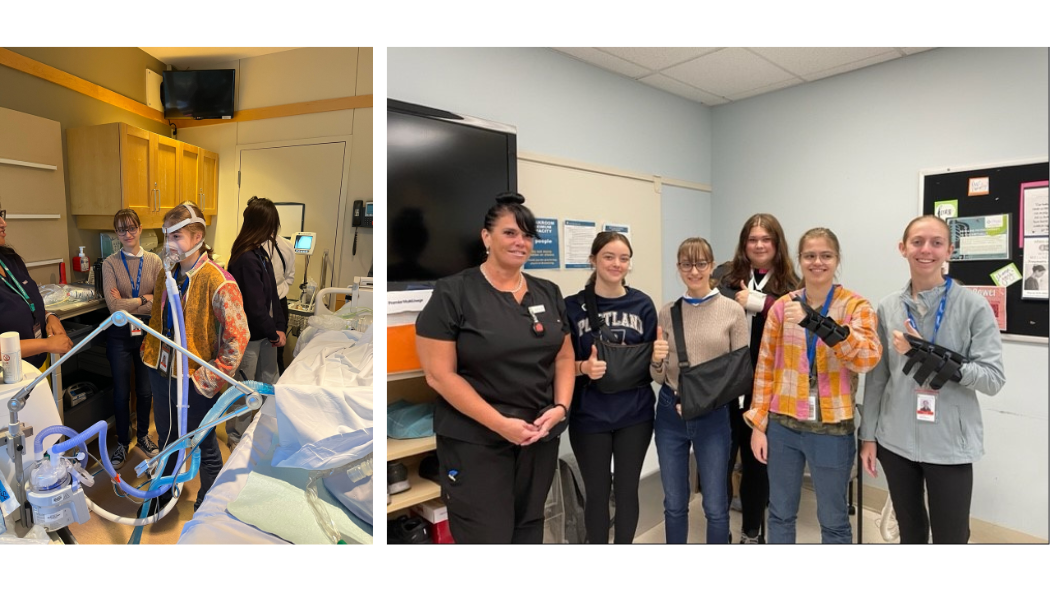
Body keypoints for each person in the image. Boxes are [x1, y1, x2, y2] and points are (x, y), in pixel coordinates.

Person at [415, 193, 575, 544]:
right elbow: (439, 375)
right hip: (478, 441)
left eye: (528, 235)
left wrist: (560, 408)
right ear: (486, 237)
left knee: (529, 526)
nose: (521, 242)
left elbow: (563, 357)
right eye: (510, 233)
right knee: (487, 536)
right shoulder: (454, 292)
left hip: (537, 436)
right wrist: (501, 425)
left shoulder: (547, 292)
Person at [860, 215, 1005, 544]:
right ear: (903, 248)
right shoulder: (887, 307)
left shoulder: (973, 306)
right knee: (910, 533)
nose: (926, 250)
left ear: (949, 250)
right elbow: (878, 377)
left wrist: (933, 356)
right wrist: (868, 435)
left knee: (951, 537)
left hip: (949, 445)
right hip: (895, 442)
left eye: (936, 243)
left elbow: (993, 379)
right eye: (917, 242)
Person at [745, 227, 882, 544]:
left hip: (831, 429)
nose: (817, 262)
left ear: (837, 260)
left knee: (834, 520)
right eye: (809, 255)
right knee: (779, 513)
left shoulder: (855, 307)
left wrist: (819, 324)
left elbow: (866, 360)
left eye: (825, 255)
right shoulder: (782, 307)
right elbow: (765, 368)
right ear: (799, 260)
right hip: (783, 427)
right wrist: (758, 425)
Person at [140, 202, 249, 513]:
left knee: (204, 443)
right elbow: (157, 319)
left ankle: (208, 501)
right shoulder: (167, 273)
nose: (169, 244)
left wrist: (207, 380)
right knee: (166, 438)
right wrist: (148, 351)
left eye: (176, 236)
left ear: (198, 236)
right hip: (161, 371)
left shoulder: (219, 282)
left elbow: (237, 339)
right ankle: (163, 490)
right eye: (166, 236)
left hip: (195, 379)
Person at [651, 237, 748, 544]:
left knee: (716, 505)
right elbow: (658, 375)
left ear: (711, 265)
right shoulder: (668, 312)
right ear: (678, 267)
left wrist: (701, 402)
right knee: (675, 503)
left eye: (701, 263)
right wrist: (655, 359)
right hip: (670, 412)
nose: (694, 271)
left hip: (713, 414)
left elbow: (739, 374)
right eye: (686, 264)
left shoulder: (732, 311)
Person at [564, 231, 657, 543]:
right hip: (589, 415)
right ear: (593, 260)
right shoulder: (571, 307)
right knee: (597, 493)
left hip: (636, 414)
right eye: (608, 256)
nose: (617, 264)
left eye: (624, 258)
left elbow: (653, 364)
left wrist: (660, 357)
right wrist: (583, 368)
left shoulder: (643, 304)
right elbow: (558, 363)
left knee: (628, 489)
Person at [712, 213, 799, 544]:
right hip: (725, 384)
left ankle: (752, 531)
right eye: (752, 239)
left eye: (766, 239)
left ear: (777, 244)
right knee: (719, 460)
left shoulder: (791, 284)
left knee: (756, 463)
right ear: (743, 243)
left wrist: (760, 303)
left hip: (768, 388)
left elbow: (800, 320)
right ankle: (719, 528)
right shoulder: (725, 276)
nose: (759, 245)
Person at [101, 209, 162, 468]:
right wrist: (141, 299)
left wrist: (132, 302)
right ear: (116, 233)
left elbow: (158, 304)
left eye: (132, 228)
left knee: (146, 389)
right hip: (119, 335)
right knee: (121, 391)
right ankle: (123, 442)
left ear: (140, 228)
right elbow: (113, 306)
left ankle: (145, 436)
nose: (128, 234)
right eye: (121, 229)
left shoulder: (155, 262)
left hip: (146, 332)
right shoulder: (110, 264)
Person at [225, 197, 287, 450]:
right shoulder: (244, 259)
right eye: (270, 226)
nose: (273, 232)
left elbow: (273, 294)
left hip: (266, 334)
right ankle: (236, 437)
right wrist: (274, 333)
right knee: (244, 389)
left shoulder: (261, 254)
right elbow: (254, 306)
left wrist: (279, 328)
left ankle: (264, 428)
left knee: (269, 382)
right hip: (250, 337)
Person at [0, 208, 72, 370]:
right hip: (7, 379)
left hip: (35, 367)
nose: (4, 223)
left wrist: (50, 317)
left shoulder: (10, 259)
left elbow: (28, 301)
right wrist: (45, 344)